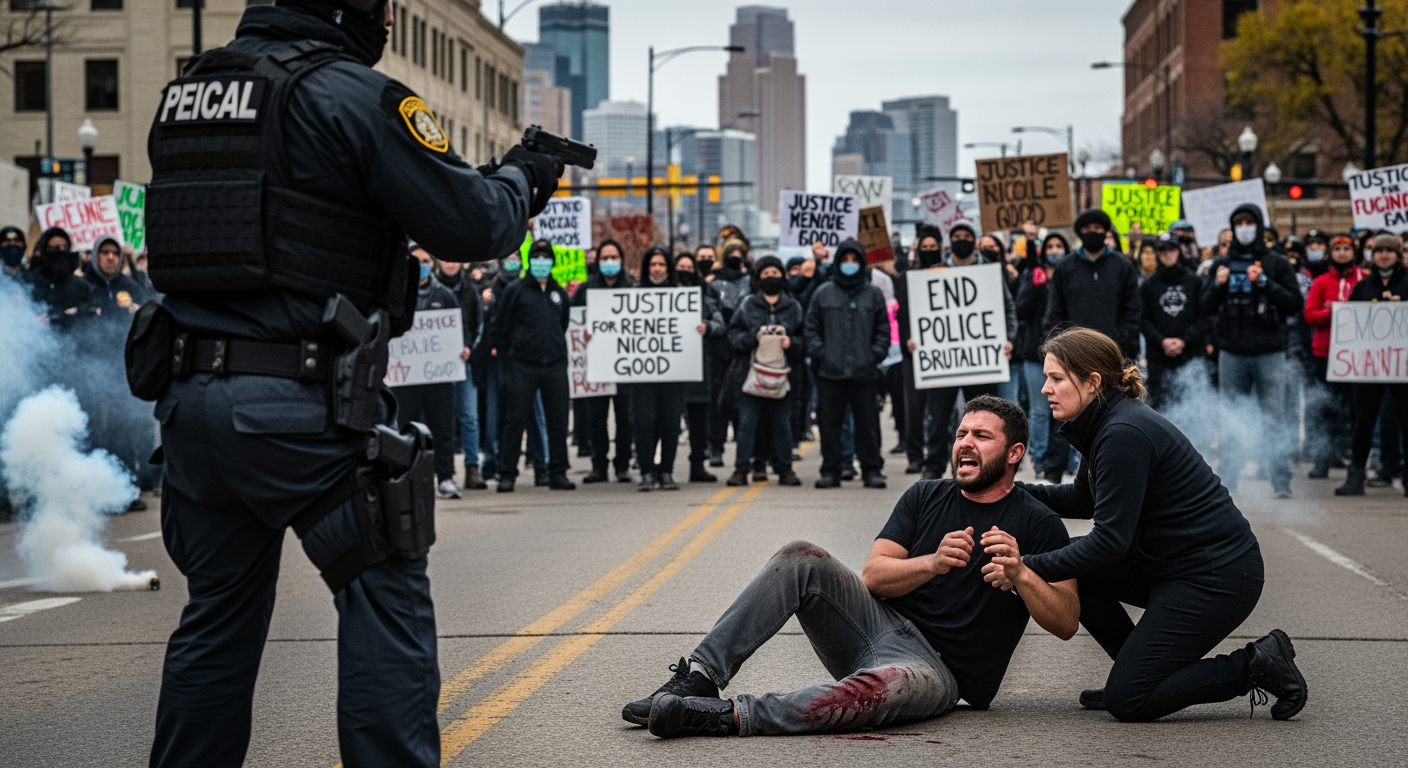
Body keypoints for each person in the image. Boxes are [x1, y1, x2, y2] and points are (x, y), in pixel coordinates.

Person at [139, 1, 563, 763]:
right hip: (296, 409)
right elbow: (470, 225)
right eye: (380, 6)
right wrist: (524, 176)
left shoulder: (189, 94)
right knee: (385, 599)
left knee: (215, 625)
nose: (389, 23)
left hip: (190, 410)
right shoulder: (352, 95)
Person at [621, 396, 1079, 738]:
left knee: (877, 692)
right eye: (961, 434)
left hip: (938, 670)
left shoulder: (1038, 523)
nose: (965, 444)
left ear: (1014, 453)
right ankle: (699, 679)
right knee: (801, 556)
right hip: (874, 623)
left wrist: (1021, 574)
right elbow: (874, 577)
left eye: (981, 437)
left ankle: (727, 717)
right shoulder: (925, 495)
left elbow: (1065, 622)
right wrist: (933, 563)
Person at [1016, 327, 1306, 723]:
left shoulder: (1122, 433)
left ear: (1092, 382)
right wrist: (1011, 491)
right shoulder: (1103, 424)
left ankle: (1255, 663)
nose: (1046, 387)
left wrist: (1026, 567)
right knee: (1081, 575)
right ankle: (1140, 673)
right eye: (1047, 377)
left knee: (1129, 701)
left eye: (1057, 378)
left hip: (1217, 576)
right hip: (1171, 565)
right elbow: (1084, 501)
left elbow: (1109, 543)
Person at [900, 222, 1016, 481]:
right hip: (943, 361)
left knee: (984, 418)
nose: (962, 240)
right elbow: (919, 313)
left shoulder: (989, 272)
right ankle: (934, 465)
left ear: (974, 242)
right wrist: (913, 340)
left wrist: (1008, 339)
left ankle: (985, 465)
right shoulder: (934, 272)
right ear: (950, 243)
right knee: (939, 417)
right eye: (957, 237)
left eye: (966, 237)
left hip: (981, 360)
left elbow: (1007, 308)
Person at [1201, 204, 1303, 497]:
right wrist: (1218, 285)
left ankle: (1281, 481)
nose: (1244, 227)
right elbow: (1204, 307)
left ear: (1258, 225)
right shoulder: (1222, 263)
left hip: (1269, 352)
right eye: (1239, 222)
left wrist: (1266, 283)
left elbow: (1293, 304)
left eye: (1249, 222)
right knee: (1230, 417)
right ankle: (1228, 480)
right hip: (1232, 352)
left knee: (1274, 416)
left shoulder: (1276, 263)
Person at [491, 239, 575, 492]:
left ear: (551, 261)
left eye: (545, 257)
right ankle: (507, 473)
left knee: (558, 421)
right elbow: (500, 325)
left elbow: (564, 324)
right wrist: (510, 357)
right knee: (515, 420)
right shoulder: (515, 290)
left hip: (555, 365)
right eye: (536, 257)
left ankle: (558, 472)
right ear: (530, 261)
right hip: (523, 366)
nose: (541, 262)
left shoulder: (558, 293)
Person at [804, 239, 889, 489]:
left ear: (861, 263)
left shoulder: (872, 294)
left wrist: (873, 355)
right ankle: (831, 469)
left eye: (854, 260)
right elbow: (811, 329)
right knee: (830, 423)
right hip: (830, 372)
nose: (849, 264)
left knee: (867, 424)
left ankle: (871, 469)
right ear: (838, 262)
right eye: (845, 259)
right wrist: (823, 354)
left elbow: (883, 329)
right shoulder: (823, 293)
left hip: (864, 372)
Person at [1334, 234, 1408, 496]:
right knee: (1363, 421)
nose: (1384, 255)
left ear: (1398, 255)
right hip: (1370, 366)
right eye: (1379, 251)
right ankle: (1355, 476)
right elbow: (1351, 322)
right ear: (1372, 256)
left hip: (1402, 367)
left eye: (1390, 251)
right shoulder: (1364, 287)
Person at [394, 245, 465, 498]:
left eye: (426, 260)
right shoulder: (396, 295)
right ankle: (403, 477)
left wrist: (462, 350)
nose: (422, 264)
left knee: (443, 428)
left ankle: (445, 477)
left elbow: (458, 331)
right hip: (405, 377)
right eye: (417, 260)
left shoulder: (444, 295)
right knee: (403, 428)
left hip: (439, 376)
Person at [726, 255, 802, 486]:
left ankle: (785, 469)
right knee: (747, 424)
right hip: (752, 375)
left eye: (776, 274)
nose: (771, 278)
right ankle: (741, 469)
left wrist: (792, 343)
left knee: (781, 424)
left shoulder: (793, 306)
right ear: (758, 278)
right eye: (766, 275)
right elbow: (733, 334)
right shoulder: (748, 305)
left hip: (782, 376)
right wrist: (752, 338)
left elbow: (805, 336)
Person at [481, 251, 550, 483]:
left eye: (516, 257)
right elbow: (490, 320)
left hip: (525, 360)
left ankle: (542, 464)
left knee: (534, 414)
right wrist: (495, 345)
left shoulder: (528, 288)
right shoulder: (492, 290)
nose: (513, 262)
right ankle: (492, 463)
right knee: (497, 413)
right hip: (500, 358)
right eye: (508, 257)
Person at [1042, 209, 1142, 362]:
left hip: (1115, 354)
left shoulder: (1123, 266)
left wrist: (1117, 341)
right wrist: (1065, 346)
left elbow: (1133, 310)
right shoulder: (1065, 267)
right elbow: (1054, 312)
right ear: (1080, 233)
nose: (1092, 232)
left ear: (1105, 232)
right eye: (1087, 229)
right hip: (1075, 355)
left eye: (1097, 228)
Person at [572, 239, 635, 484]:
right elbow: (573, 323)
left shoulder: (631, 289)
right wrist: (583, 333)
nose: (609, 263)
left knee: (625, 418)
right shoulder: (585, 291)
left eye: (613, 258)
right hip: (595, 365)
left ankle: (623, 465)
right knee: (596, 419)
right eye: (605, 258)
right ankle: (599, 465)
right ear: (598, 263)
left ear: (621, 261)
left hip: (624, 365)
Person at [1303, 234, 1363, 479]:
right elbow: (1310, 315)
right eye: (1336, 249)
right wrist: (1334, 312)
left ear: (1353, 253)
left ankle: (1351, 459)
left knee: (1355, 411)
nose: (1341, 254)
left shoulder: (1363, 280)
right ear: (1331, 254)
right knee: (1325, 409)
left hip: (1356, 356)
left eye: (1345, 249)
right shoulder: (1321, 282)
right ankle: (1322, 459)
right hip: (1325, 354)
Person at [630, 246, 689, 490]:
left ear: (668, 268)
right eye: (653, 265)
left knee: (670, 423)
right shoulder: (632, 296)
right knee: (643, 422)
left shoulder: (681, 296)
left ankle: (666, 471)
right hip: (642, 372)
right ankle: (646, 471)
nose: (657, 269)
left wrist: (700, 327)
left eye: (662, 265)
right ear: (646, 268)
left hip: (672, 371)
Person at [1014, 231, 1067, 479]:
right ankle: (1040, 459)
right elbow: (1021, 310)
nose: (1055, 250)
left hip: (1067, 352)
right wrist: (1035, 287)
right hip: (1034, 351)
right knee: (1039, 410)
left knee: (1068, 408)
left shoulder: (1070, 274)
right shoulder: (1033, 275)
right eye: (1051, 246)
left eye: (1059, 246)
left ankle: (1067, 458)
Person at [434, 257, 487, 490]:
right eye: (445, 259)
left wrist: (470, 349)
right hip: (435, 365)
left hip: (463, 362)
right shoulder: (432, 290)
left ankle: (472, 468)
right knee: (440, 419)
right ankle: (445, 472)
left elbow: (479, 324)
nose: (450, 264)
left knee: (469, 417)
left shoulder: (469, 290)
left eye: (455, 259)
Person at [1139, 233, 1207, 410]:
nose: (1167, 254)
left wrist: (1184, 341)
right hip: (1158, 359)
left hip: (1190, 357)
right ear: (1158, 253)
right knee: (1161, 411)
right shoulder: (1148, 285)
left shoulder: (1195, 282)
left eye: (1171, 249)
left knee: (1193, 410)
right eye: (1162, 250)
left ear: (1178, 251)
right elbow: (1142, 319)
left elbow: (1204, 318)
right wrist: (1162, 341)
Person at [675, 251, 726, 482]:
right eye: (680, 267)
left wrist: (707, 327)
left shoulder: (704, 300)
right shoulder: (658, 297)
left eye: (688, 268)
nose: (684, 272)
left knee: (698, 422)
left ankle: (698, 465)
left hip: (697, 368)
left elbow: (720, 324)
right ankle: (660, 465)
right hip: (669, 371)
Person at [24, 227, 98, 330]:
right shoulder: (28, 282)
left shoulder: (82, 286)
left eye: (65, 247)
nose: (61, 251)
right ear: (44, 250)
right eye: (55, 247)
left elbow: (93, 312)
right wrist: (31, 320)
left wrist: (72, 314)